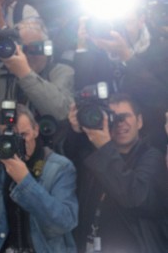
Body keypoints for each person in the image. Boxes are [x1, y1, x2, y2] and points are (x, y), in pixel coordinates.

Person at [65, 95, 168, 252]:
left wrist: (104, 146)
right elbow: (71, 156)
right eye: (113, 117)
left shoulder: (153, 157)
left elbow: (136, 197)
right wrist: (77, 129)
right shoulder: (96, 155)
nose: (119, 123)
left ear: (139, 121)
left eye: (125, 116)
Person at [0, 105, 78, 252]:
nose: (18, 143)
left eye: (23, 135)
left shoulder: (60, 167)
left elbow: (63, 223)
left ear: (36, 130)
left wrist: (25, 182)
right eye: (10, 137)